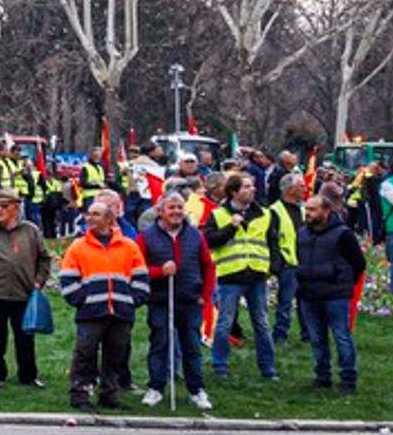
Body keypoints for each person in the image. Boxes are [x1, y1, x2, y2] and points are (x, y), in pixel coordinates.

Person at [57, 191, 146, 409]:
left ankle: (109, 394)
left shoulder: (128, 246)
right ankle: (80, 394)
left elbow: (141, 277)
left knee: (115, 355)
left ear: (109, 219)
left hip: (121, 311)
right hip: (91, 312)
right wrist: (81, 300)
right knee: (84, 355)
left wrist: (133, 300)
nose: (90, 218)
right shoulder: (78, 246)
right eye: (89, 214)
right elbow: (67, 277)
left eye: (96, 214)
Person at [135, 187, 211, 410]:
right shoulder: (146, 237)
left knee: (192, 346)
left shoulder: (195, 235)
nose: (176, 211)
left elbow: (208, 266)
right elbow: (137, 269)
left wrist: (204, 296)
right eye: (171, 207)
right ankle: (156, 388)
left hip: (190, 300)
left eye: (179, 207)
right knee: (160, 344)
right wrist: (159, 271)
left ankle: (196, 390)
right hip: (160, 299)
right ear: (160, 211)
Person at [0, 188, 53, 388]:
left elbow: (45, 258)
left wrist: (39, 281)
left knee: (25, 339)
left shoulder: (30, 231)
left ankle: (28, 376)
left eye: (4, 206)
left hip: (23, 295)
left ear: (16, 208)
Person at [204, 172, 278, 384]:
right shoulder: (218, 215)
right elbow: (209, 241)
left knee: (262, 323)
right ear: (234, 191)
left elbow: (271, 241)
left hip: (256, 274)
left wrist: (272, 267)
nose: (252, 190)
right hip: (231, 275)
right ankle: (220, 365)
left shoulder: (264, 214)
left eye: (252, 186)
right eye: (246, 187)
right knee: (224, 323)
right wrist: (231, 227)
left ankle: (268, 367)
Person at [295, 189, 368, 393]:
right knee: (317, 338)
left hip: (335, 293)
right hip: (309, 292)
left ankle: (348, 378)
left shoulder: (343, 234)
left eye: (312, 209)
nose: (307, 213)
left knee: (341, 336)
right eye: (306, 209)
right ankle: (322, 376)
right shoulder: (302, 233)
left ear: (326, 211)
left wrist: (342, 280)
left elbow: (358, 263)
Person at [269, 173, 305, 347]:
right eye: (301, 186)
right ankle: (280, 334)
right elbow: (272, 239)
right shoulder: (275, 211)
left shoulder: (303, 209)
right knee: (285, 302)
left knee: (306, 302)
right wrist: (278, 263)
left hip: (304, 262)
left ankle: (308, 334)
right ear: (290, 189)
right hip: (288, 263)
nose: (305, 189)